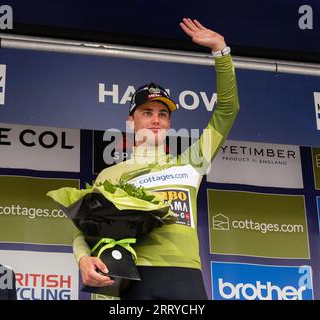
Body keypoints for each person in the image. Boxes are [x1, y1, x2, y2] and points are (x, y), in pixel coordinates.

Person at [73, 18, 240, 299]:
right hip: (135, 276)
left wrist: (221, 52)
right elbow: (84, 230)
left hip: (186, 275)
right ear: (130, 121)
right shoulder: (111, 176)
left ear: (169, 124)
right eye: (147, 112)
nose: (156, 120)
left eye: (163, 114)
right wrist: (82, 258)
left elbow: (227, 111)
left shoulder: (192, 162)